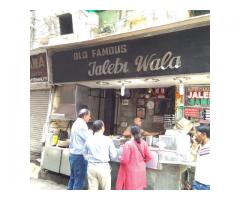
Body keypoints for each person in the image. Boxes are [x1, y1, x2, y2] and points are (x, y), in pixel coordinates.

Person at [116, 125, 153, 190]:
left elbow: (125, 160)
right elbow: (149, 156)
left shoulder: (128, 144)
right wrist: (141, 161)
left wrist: (120, 157)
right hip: (141, 170)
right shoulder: (144, 143)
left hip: (131, 172)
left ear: (131, 133)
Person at [83, 120, 117, 190]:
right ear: (102, 128)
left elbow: (84, 153)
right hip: (103, 167)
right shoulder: (107, 139)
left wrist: (89, 159)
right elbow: (113, 155)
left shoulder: (89, 139)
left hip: (91, 167)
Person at [67, 108, 93, 190]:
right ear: (85, 116)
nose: (90, 118)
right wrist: (91, 133)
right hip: (79, 156)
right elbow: (88, 139)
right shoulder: (82, 125)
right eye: (89, 116)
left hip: (73, 155)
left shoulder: (76, 123)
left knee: (73, 178)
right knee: (79, 181)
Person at [192, 125, 210, 190]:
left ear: (204, 134)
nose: (195, 135)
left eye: (197, 133)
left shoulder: (209, 147)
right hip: (197, 182)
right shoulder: (200, 146)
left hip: (206, 185)